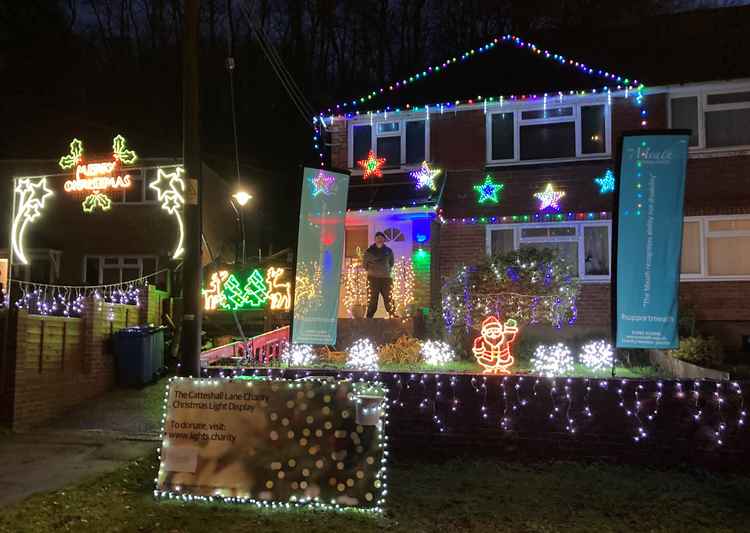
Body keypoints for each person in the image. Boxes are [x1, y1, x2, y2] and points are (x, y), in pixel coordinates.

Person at [363, 231, 396, 318]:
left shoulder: (388, 251)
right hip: (373, 279)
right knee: (372, 299)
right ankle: (369, 317)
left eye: (381, 238)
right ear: (375, 239)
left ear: (384, 240)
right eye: (378, 238)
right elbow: (365, 265)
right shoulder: (369, 251)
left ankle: (392, 314)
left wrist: (385, 270)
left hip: (386, 279)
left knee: (389, 298)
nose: (379, 240)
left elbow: (391, 263)